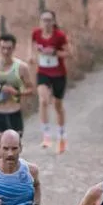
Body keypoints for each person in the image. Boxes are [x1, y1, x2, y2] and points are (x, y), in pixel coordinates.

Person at [0, 33, 32, 159]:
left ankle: (13, 178)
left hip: (14, 114)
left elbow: (30, 89)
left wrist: (16, 93)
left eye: (9, 48)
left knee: (12, 157)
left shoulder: (21, 67)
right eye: (3, 48)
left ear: (14, 48)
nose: (5, 51)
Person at [30, 10, 71, 153]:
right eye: (43, 20)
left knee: (57, 105)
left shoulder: (59, 36)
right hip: (43, 72)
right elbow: (33, 47)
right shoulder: (36, 33)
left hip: (59, 73)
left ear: (53, 21)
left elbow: (68, 53)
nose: (46, 23)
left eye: (49, 20)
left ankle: (61, 135)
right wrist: (31, 56)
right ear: (40, 21)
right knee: (43, 100)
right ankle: (46, 135)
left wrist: (54, 52)